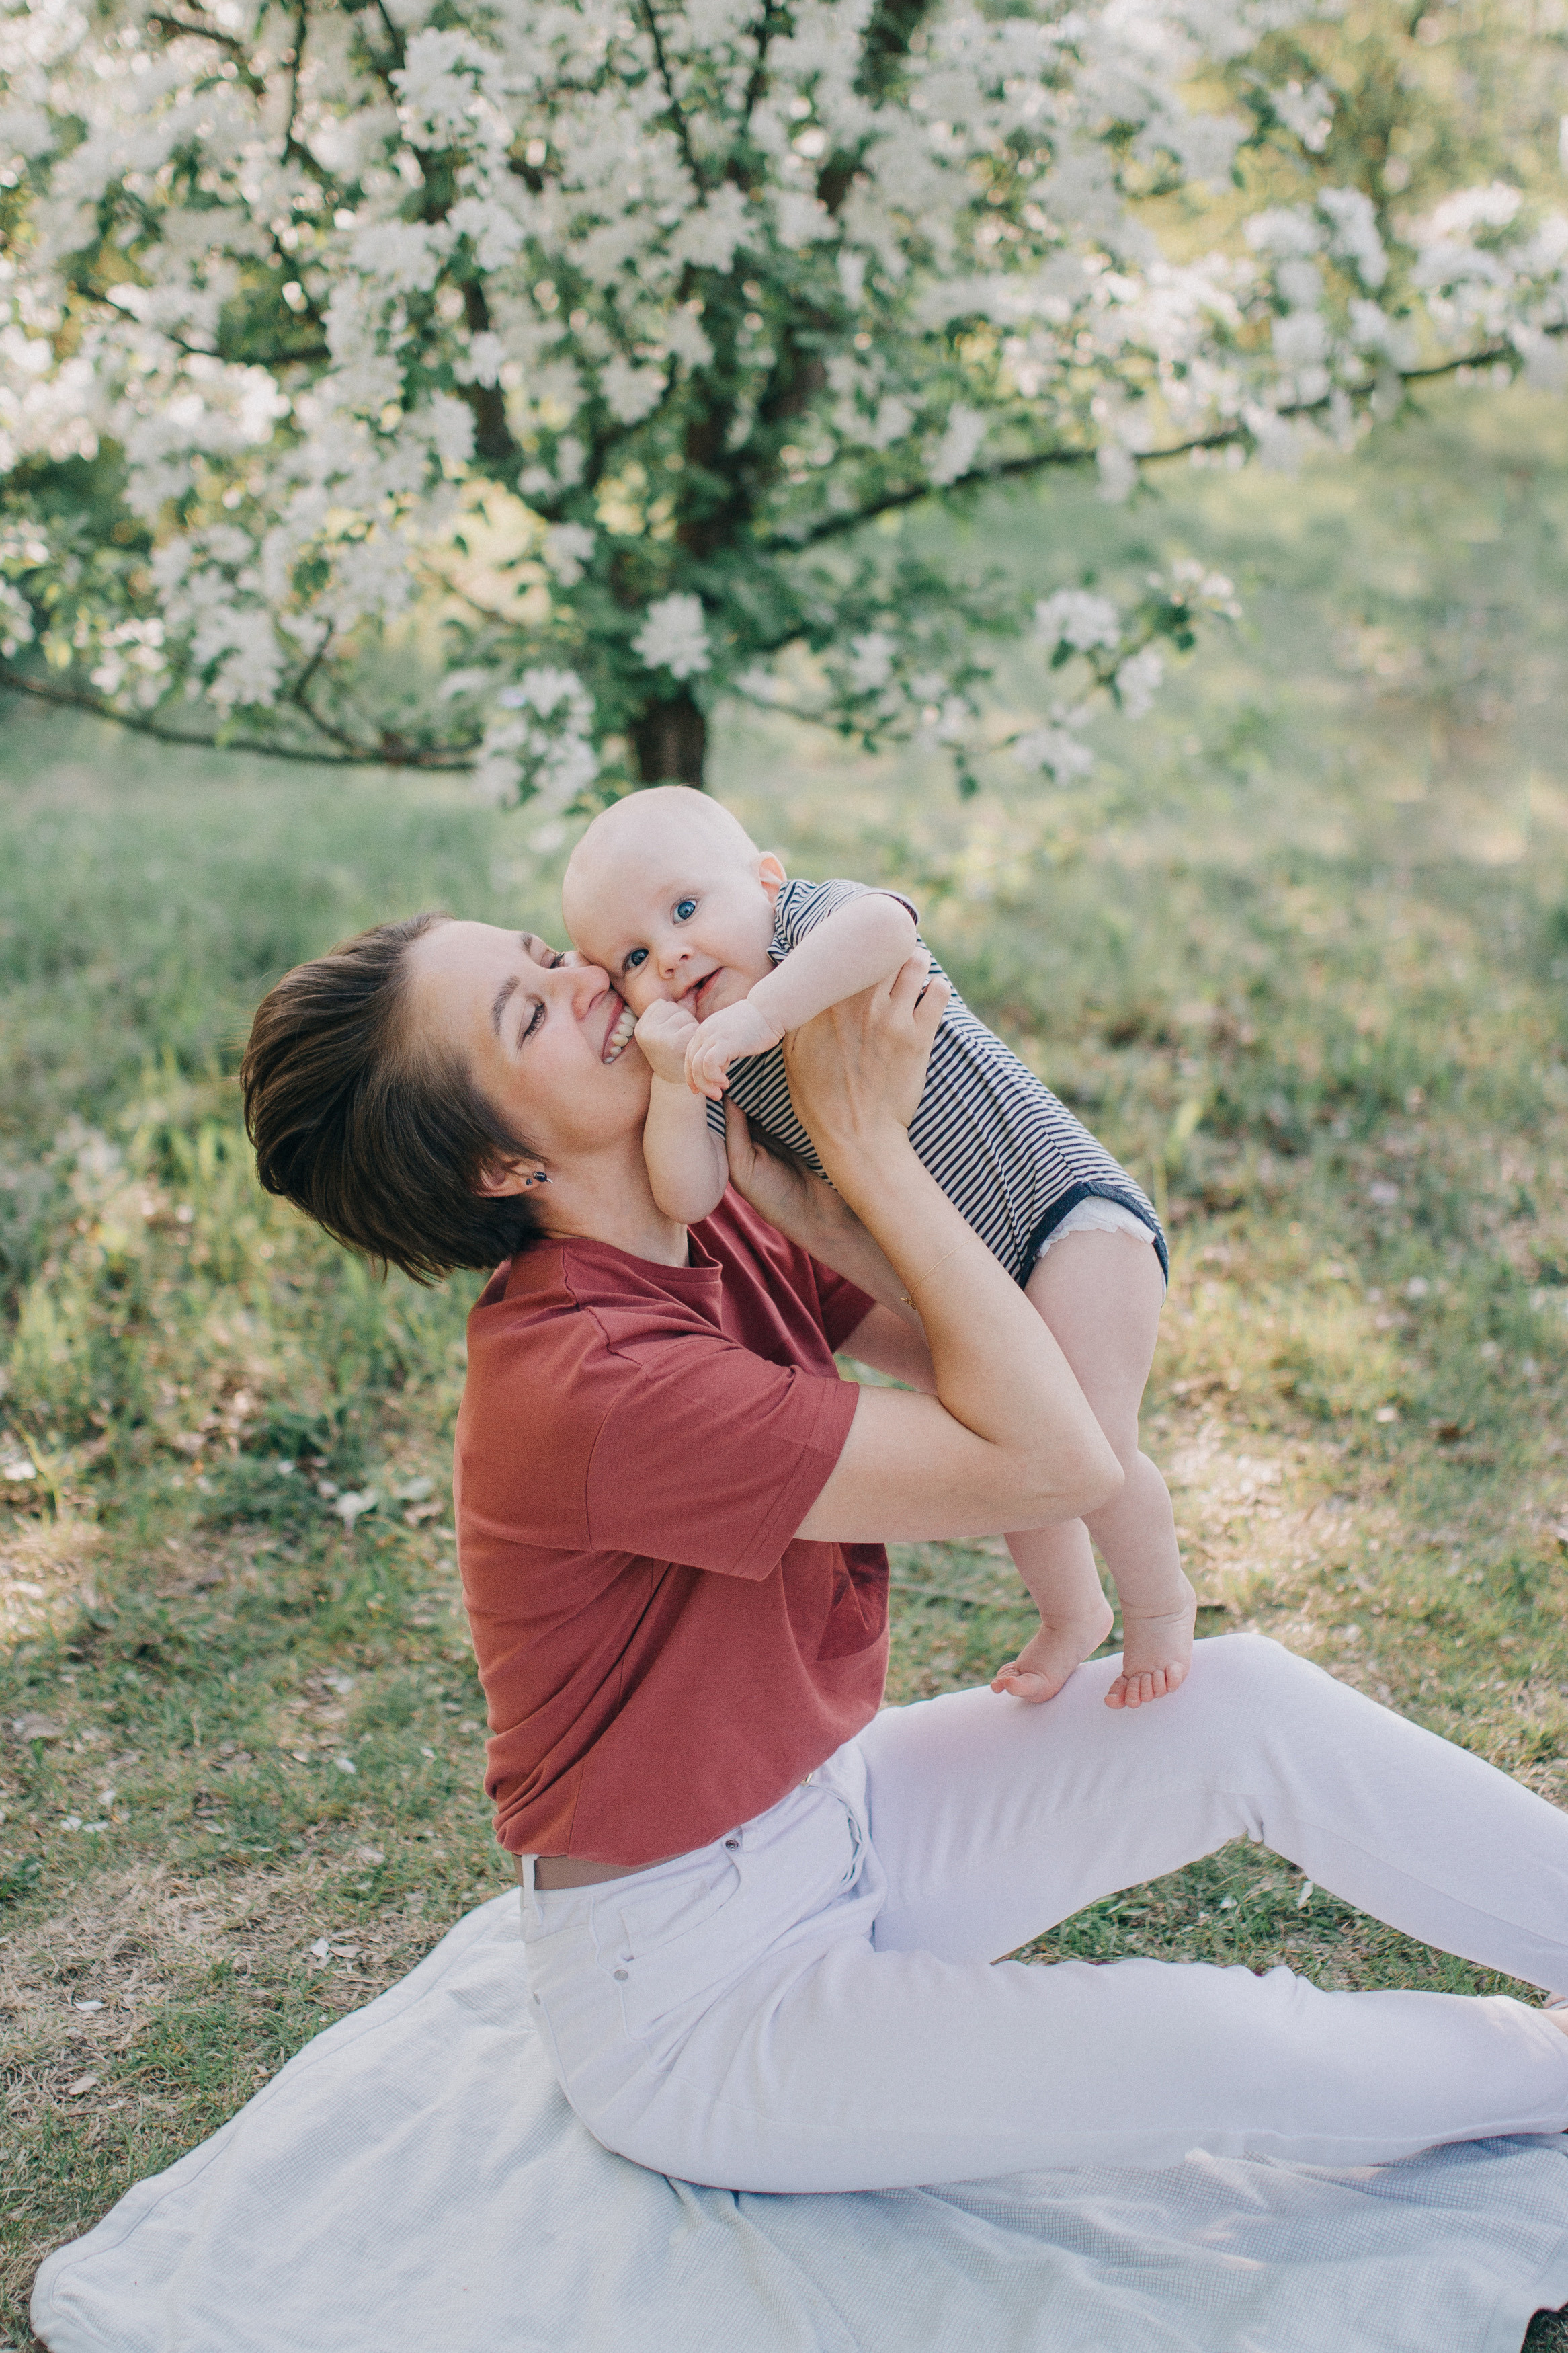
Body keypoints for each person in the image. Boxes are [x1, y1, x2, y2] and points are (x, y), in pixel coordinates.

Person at [241, 912, 1568, 2198]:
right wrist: (866, 1151)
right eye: (531, 1010)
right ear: (498, 1169)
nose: (590, 977)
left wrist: (841, 1179)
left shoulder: (714, 1207)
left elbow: (1025, 1376)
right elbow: (1054, 1463)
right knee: (1220, 2045)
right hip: (696, 1995)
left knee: (1247, 1704)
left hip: (845, 1813)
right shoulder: (590, 1386)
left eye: (541, 952)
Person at [560, 786, 1192, 1712]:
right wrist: (670, 1080)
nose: (673, 954)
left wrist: (761, 1017)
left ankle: (1163, 1606)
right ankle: (1069, 1613)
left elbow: (888, 927)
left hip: (1064, 1215)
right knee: (1017, 1449)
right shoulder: (706, 1051)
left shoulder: (805, 928)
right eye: (634, 958)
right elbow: (689, 1192)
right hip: (958, 1281)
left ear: (764, 880)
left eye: (687, 909)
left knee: (1089, 1441)